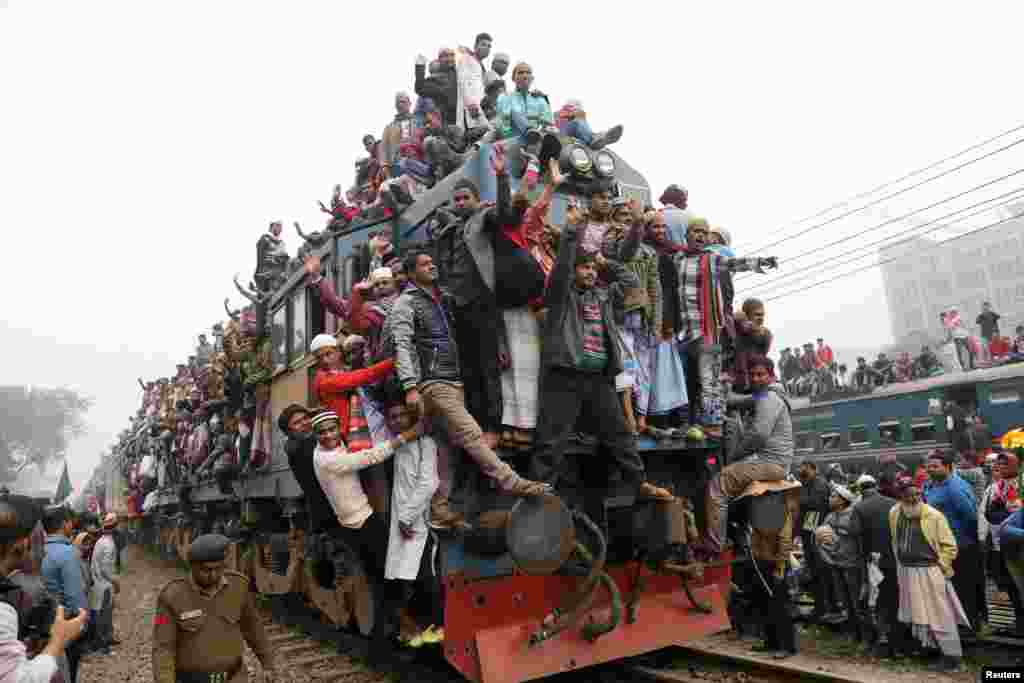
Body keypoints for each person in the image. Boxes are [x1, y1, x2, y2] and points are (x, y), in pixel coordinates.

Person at [383, 250, 550, 526]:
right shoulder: (406, 303)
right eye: (425, 264)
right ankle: (513, 482)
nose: (432, 265)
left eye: (432, 261)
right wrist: (411, 386)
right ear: (411, 273)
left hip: (451, 381)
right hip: (434, 382)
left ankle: (440, 509)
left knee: (446, 450)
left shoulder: (441, 299)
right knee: (471, 435)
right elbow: (401, 344)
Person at [529, 202, 673, 502]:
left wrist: (606, 260)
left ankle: (639, 483)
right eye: (586, 267)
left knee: (620, 435)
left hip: (598, 378)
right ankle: (539, 492)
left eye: (593, 268)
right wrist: (570, 232)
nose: (591, 272)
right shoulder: (560, 297)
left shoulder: (604, 297)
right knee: (551, 440)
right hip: (565, 376)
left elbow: (632, 282)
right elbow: (561, 269)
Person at [310, 410, 419, 658]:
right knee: (384, 577)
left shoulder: (333, 447)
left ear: (339, 429)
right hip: (360, 523)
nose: (328, 436)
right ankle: (398, 632)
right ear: (316, 436)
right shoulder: (327, 459)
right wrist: (406, 436)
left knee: (381, 577)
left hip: (360, 518)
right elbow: (369, 457)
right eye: (322, 432)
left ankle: (390, 632)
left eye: (332, 430)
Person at [675, 221, 777, 439]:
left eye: (704, 232)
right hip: (684, 331)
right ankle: (686, 422)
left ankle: (712, 425)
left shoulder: (711, 259)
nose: (700, 236)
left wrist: (760, 262)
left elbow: (734, 264)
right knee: (684, 381)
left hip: (708, 331)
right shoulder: (678, 259)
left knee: (709, 381)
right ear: (687, 235)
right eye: (696, 232)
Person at [152, 534, 276, 683]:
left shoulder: (238, 587)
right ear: (192, 566)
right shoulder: (172, 596)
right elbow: (163, 648)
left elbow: (254, 629)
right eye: (206, 570)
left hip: (234, 678)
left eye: (219, 568)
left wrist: (268, 664)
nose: (213, 575)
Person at [703, 355, 792, 554]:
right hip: (770, 462)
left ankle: (714, 545)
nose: (756, 379)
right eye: (752, 375)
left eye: (761, 375)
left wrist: (735, 455)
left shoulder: (768, 398)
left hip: (769, 463)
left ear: (771, 376)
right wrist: (725, 388)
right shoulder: (763, 395)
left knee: (718, 485)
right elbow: (737, 402)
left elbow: (759, 435)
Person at [0, 497, 87, 683]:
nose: (45, 549)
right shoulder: (5, 608)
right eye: (40, 538)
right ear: (20, 545)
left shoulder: (12, 589)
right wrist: (58, 641)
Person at [889, 476, 968, 672]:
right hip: (907, 571)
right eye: (909, 495)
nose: (915, 498)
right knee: (918, 613)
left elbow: (949, 546)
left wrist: (941, 565)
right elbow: (894, 540)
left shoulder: (934, 515)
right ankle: (930, 650)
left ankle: (953, 658)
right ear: (900, 496)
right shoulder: (894, 512)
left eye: (918, 494)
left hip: (930, 571)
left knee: (940, 613)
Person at [923, 449, 982, 636]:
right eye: (928, 466)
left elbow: (971, 517)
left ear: (948, 467)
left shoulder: (956, 488)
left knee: (964, 587)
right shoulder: (930, 485)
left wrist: (966, 542)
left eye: (935, 466)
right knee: (950, 588)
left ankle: (970, 627)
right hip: (940, 546)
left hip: (961, 546)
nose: (930, 469)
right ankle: (957, 623)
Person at [745, 480, 801, 659]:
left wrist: (780, 566)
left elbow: (785, 541)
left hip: (775, 564)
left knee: (779, 606)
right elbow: (755, 536)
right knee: (765, 604)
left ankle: (787, 646)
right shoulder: (760, 511)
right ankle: (770, 642)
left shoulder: (779, 511)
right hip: (761, 562)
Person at [850, 476, 903, 655]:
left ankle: (878, 639)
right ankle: (895, 639)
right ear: (875, 487)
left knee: (872, 600)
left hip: (872, 561)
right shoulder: (893, 503)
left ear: (860, 490)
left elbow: (854, 533)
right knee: (893, 597)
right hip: (895, 558)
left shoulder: (859, 507)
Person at [41, 506, 89, 683]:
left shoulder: (37, 550)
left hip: (42, 628)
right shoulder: (67, 553)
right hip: (65, 628)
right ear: (64, 524)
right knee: (68, 673)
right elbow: (75, 596)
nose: (72, 524)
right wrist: (83, 625)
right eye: (70, 521)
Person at [815, 485, 866, 641]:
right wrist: (826, 556)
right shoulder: (830, 517)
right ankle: (851, 630)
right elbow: (820, 539)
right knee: (844, 599)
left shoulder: (853, 515)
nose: (830, 499)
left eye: (833, 496)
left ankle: (863, 634)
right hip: (835, 563)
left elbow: (860, 540)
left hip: (851, 563)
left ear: (843, 500)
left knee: (856, 599)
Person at [90, 513, 121, 654]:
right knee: (103, 614)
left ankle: (107, 638)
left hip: (98, 583)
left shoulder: (101, 541)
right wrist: (115, 582)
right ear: (115, 528)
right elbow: (105, 569)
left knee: (106, 613)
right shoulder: (109, 544)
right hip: (103, 584)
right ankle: (103, 644)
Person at [414, 49, 459, 127]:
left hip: (467, 118)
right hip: (448, 124)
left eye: (452, 55)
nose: (449, 58)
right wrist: (420, 67)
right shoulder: (435, 80)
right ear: (439, 60)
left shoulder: (460, 73)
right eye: (445, 56)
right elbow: (420, 88)